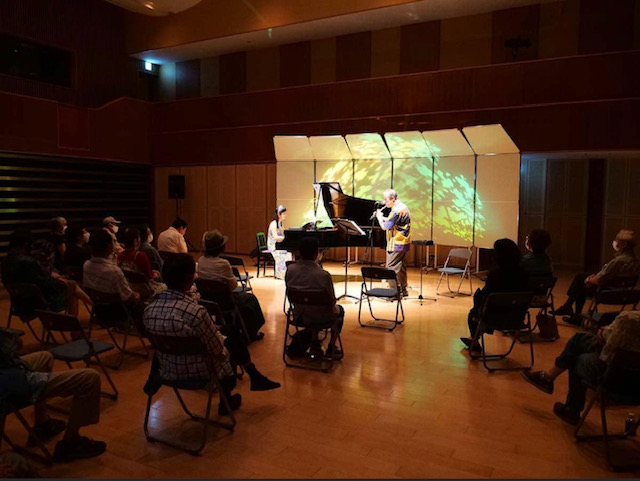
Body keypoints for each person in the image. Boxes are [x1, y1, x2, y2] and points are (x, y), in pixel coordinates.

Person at [143, 254, 280, 415]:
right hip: (200, 371)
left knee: (230, 331)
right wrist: (217, 333)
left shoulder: (148, 310)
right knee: (231, 343)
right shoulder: (195, 312)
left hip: (166, 369)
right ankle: (227, 399)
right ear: (189, 279)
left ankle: (253, 373)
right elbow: (217, 349)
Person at [0, 327, 106, 462]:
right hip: (10, 383)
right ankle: (71, 442)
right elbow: (16, 343)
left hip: (6, 370)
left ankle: (43, 424)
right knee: (90, 378)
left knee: (45, 356)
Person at [522, 310, 640, 425]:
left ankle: (570, 407)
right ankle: (550, 380)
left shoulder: (629, 319)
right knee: (580, 341)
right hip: (636, 387)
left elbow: (607, 341)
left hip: (613, 379)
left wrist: (602, 332)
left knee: (577, 356)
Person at [552, 230, 640, 325]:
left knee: (580, 282)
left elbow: (599, 281)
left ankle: (572, 312)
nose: (615, 242)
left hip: (606, 294)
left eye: (617, 240)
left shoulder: (617, 262)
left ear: (624, 244)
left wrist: (589, 279)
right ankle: (568, 307)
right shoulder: (637, 261)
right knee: (581, 278)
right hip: (626, 294)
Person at [460, 238, 529, 351]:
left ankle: (474, 339)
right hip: (516, 317)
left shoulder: (495, 274)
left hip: (494, 317)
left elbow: (486, 295)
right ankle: (474, 338)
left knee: (474, 312)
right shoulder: (523, 273)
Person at [197, 230, 266, 341]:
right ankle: (251, 333)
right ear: (221, 247)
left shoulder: (200, 261)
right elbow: (233, 286)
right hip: (226, 301)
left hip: (207, 299)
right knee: (250, 299)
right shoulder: (223, 264)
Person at [285, 237, 344, 358]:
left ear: (299, 252)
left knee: (312, 306)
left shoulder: (290, 270)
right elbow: (331, 301)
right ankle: (331, 346)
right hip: (321, 317)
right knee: (338, 310)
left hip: (299, 314)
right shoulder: (323, 275)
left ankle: (315, 343)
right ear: (316, 254)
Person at [2, 231, 77, 317]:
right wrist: (55, 278)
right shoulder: (28, 261)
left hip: (18, 302)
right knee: (71, 286)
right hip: (38, 302)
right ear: (26, 244)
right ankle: (70, 322)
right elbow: (43, 282)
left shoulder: (5, 261)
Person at [83, 229, 144, 321]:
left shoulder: (86, 265)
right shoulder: (113, 271)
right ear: (109, 247)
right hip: (118, 313)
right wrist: (136, 295)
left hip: (98, 311)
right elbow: (128, 297)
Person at [375, 189, 411, 296]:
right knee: (401, 267)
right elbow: (394, 221)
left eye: (386, 200)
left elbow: (385, 227)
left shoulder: (396, 210)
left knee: (391, 268)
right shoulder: (402, 207)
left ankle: (393, 293)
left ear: (392, 199)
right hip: (404, 242)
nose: (385, 202)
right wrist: (384, 217)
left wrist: (379, 218)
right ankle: (403, 290)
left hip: (396, 243)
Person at [267, 205, 292, 280]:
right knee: (284, 256)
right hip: (273, 245)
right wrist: (285, 238)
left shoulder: (280, 224)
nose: (285, 215)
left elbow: (282, 235)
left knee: (289, 253)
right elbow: (275, 237)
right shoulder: (273, 224)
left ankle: (287, 274)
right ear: (279, 214)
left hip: (278, 244)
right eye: (283, 214)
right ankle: (281, 275)